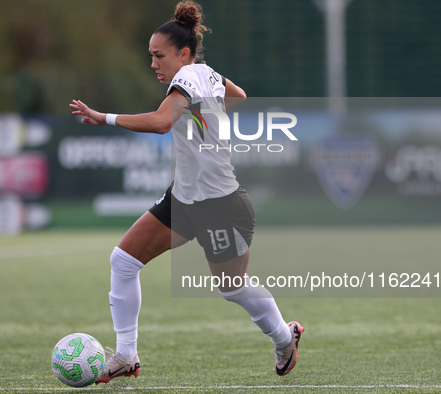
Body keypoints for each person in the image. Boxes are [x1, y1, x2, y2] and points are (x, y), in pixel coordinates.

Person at [69, 0, 303, 383]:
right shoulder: (205, 75)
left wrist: (103, 116)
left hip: (222, 205)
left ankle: (284, 336)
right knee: (123, 261)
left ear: (183, 54)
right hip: (186, 199)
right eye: (150, 56)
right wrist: (206, 114)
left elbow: (162, 122)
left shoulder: (190, 77)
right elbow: (238, 94)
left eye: (159, 56)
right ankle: (126, 355)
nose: (153, 64)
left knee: (231, 287)